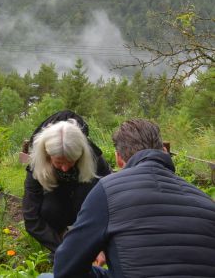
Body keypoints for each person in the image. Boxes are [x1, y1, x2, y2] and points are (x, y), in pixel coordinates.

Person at [53, 119, 215, 278]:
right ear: (165, 151)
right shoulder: (207, 202)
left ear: (118, 158)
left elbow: (65, 269)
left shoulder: (107, 190)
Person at [22, 110, 112, 261]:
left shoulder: (94, 158)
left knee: (95, 198)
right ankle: (63, 245)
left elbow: (111, 202)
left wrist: (99, 244)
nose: (65, 168)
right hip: (57, 213)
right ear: (47, 155)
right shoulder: (37, 165)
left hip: (85, 209)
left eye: (71, 161)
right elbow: (31, 218)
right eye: (59, 162)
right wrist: (65, 249)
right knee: (48, 208)